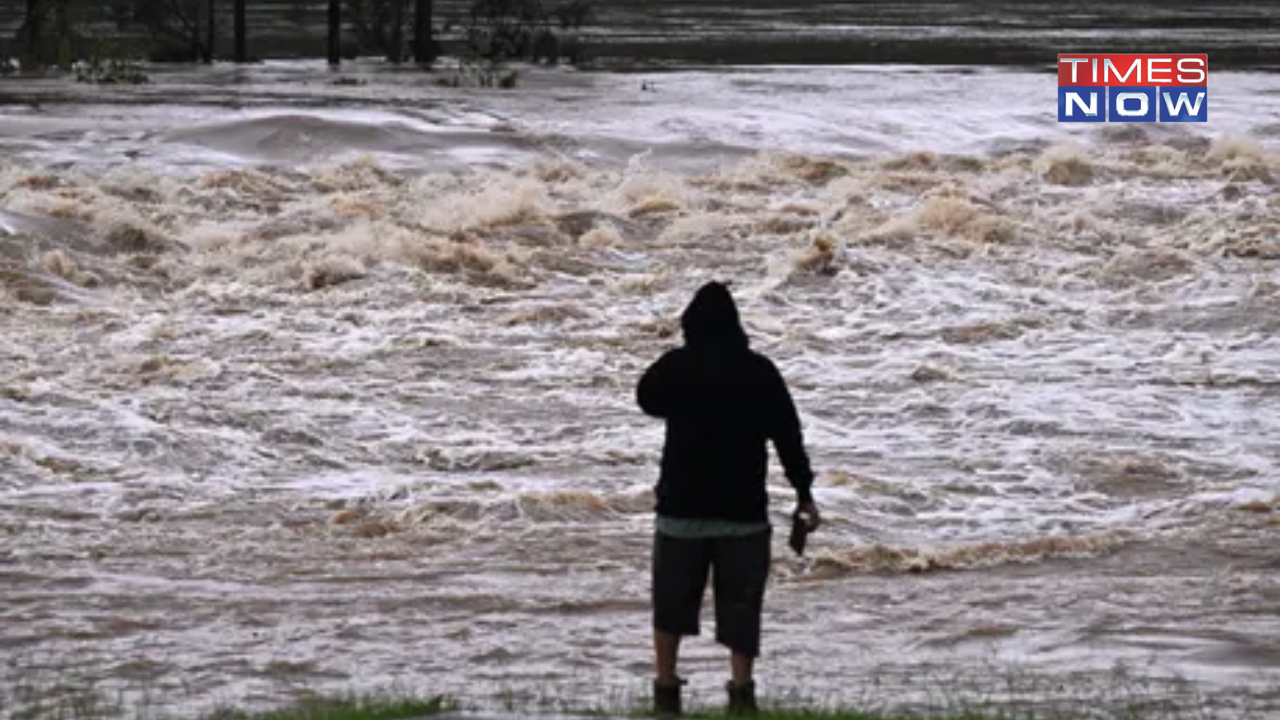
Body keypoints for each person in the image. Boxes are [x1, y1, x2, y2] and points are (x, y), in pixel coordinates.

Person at [637, 281, 820, 717]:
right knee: (741, 608)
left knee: (671, 605)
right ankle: (741, 691)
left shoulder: (677, 367)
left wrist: (675, 366)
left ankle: (666, 686)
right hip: (743, 515)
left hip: (681, 511)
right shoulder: (759, 371)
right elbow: (788, 437)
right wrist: (804, 493)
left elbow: (646, 398)